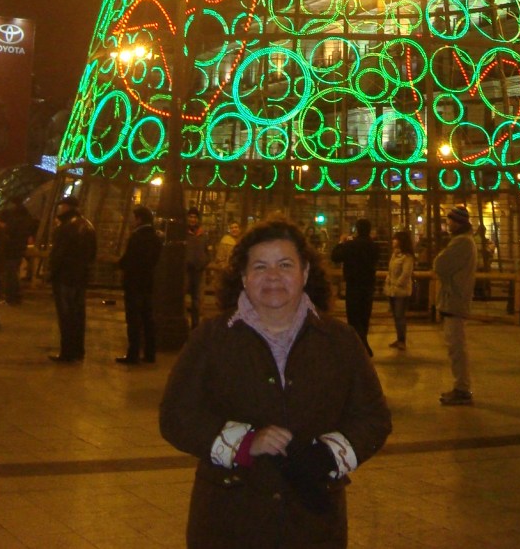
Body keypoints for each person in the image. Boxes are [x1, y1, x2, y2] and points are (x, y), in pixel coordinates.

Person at [159, 217, 391, 549]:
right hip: (229, 521)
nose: (272, 276)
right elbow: (176, 415)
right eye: (260, 266)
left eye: (285, 265)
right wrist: (244, 442)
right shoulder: (211, 339)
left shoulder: (340, 341)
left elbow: (373, 418)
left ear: (305, 273)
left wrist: (329, 455)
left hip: (312, 525)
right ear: (243, 276)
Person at [434, 203, 478, 405]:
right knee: (455, 345)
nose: (447, 223)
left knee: (456, 347)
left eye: (450, 220)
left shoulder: (461, 242)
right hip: (455, 298)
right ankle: (461, 386)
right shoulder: (463, 241)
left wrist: (440, 257)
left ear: (457, 222)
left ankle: (462, 388)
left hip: (455, 298)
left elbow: (440, 265)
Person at [47, 195, 97, 363]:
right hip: (80, 277)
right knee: (78, 314)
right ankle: (78, 350)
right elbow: (93, 253)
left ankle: (67, 352)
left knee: (66, 315)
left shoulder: (66, 227)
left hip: (65, 276)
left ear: (66, 207)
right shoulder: (88, 226)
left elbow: (58, 254)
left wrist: (51, 272)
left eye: (61, 206)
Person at [115, 205, 163, 365]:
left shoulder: (136, 237)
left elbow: (129, 259)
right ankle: (150, 353)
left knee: (133, 319)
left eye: (133, 218)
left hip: (133, 283)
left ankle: (133, 353)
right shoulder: (156, 238)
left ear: (139, 219)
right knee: (148, 318)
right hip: (148, 282)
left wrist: (119, 265)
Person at [331, 219, 380, 355]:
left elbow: (335, 257)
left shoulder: (350, 245)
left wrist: (341, 242)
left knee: (354, 316)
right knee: (365, 316)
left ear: (357, 229)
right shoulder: (374, 246)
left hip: (353, 284)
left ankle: (359, 345)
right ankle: (363, 343)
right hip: (369, 285)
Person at [384, 229, 414, 350]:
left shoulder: (407, 257)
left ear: (401, 241)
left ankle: (402, 340)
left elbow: (406, 273)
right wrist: (388, 282)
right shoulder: (394, 255)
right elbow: (390, 271)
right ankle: (399, 338)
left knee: (400, 315)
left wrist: (397, 284)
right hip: (392, 290)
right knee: (396, 316)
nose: (393, 241)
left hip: (401, 291)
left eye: (395, 239)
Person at [1, 198, 36, 305]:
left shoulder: (14, 220)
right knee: (14, 272)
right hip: (19, 249)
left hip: (12, 249)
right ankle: (15, 296)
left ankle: (11, 297)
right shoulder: (26, 218)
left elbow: (9, 232)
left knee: (11, 273)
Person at [184, 207, 210, 330]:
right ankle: (183, 322)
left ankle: (195, 325)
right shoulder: (183, 234)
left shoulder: (203, 235)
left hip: (198, 271)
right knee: (182, 296)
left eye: (195, 217)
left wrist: (204, 262)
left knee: (196, 299)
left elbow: (207, 252)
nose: (192, 219)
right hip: (185, 271)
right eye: (190, 217)